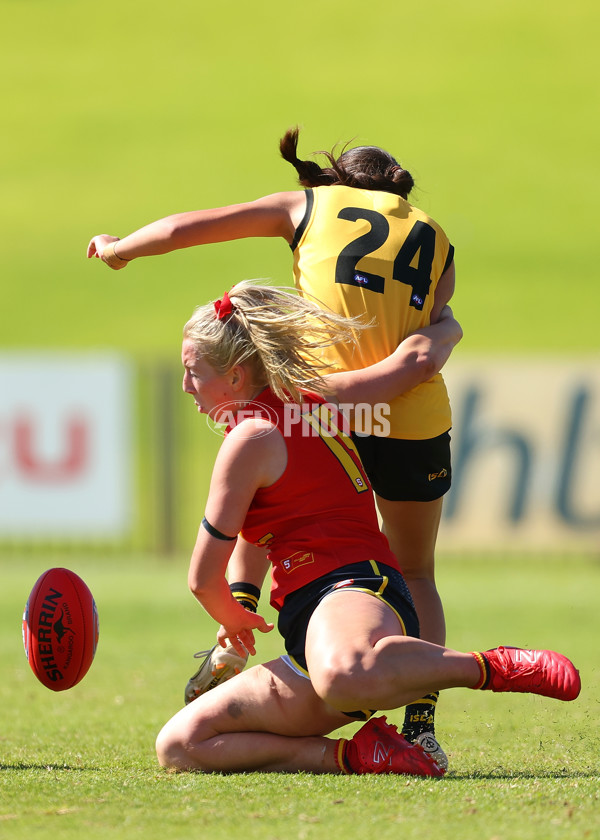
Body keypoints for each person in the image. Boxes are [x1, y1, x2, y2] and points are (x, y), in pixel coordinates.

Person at [87, 127, 457, 750]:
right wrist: (444, 339)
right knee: (415, 571)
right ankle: (420, 726)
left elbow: (188, 227)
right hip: (406, 415)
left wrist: (121, 246)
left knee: (265, 494)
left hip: (321, 398)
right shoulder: (435, 237)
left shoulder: (311, 206)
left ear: (335, 180)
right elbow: (434, 327)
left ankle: (235, 629)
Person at [153, 282, 580, 776]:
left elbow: (202, 578)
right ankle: (359, 755)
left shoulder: (250, 437)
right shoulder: (317, 400)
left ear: (234, 374)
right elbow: (411, 364)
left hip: (351, 591)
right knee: (181, 745)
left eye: (193, 373)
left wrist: (235, 621)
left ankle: (491, 667)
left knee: (343, 674)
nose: (186, 387)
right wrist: (448, 326)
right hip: (310, 631)